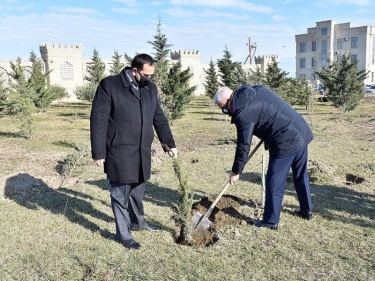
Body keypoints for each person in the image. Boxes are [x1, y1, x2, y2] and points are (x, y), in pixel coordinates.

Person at [90, 54, 178, 249]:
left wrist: (169, 143)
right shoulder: (110, 85)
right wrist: (98, 153)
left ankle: (138, 223)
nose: (150, 79)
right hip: (119, 149)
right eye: (147, 75)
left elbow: (159, 117)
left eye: (152, 75)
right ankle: (124, 234)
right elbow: (99, 119)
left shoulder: (150, 88)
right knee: (120, 194)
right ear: (135, 70)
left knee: (137, 191)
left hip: (142, 150)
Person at [214, 85, 313, 230]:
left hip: (286, 141)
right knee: (300, 175)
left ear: (230, 100)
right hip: (301, 130)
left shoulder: (243, 114)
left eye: (224, 109)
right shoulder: (255, 89)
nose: (227, 113)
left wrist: (236, 171)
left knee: (274, 181)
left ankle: (271, 220)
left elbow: (243, 145)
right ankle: (307, 209)